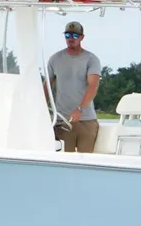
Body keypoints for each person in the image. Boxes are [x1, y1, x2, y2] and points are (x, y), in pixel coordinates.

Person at [43, 21, 102, 153]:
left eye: (75, 36)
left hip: (86, 121)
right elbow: (47, 86)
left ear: (82, 37)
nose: (71, 38)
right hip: (62, 121)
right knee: (62, 160)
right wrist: (40, 111)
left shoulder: (91, 59)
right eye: (68, 35)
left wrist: (80, 109)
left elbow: (93, 86)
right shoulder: (55, 59)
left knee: (86, 161)